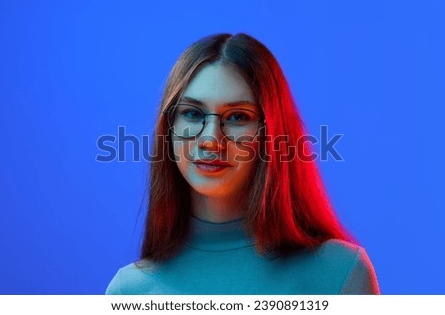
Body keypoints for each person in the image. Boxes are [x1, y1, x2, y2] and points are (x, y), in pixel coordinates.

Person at [105, 33, 380, 295]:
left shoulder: (340, 275)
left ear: (271, 134)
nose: (211, 140)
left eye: (237, 117)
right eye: (191, 113)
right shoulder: (128, 291)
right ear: (169, 128)